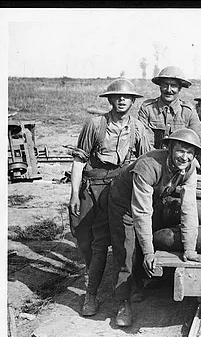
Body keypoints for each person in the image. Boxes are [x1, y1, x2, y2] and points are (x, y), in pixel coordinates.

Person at [108, 128, 201, 327]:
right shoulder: (148, 166)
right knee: (126, 249)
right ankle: (122, 302)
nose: (185, 157)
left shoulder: (190, 167)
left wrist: (189, 248)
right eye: (180, 150)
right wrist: (149, 252)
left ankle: (140, 282)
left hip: (152, 200)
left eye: (190, 153)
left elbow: (189, 207)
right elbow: (141, 213)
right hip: (124, 204)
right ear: (169, 148)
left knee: (153, 237)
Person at [68, 78, 150, 317]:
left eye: (126, 97)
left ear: (133, 101)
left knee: (124, 243)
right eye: (117, 96)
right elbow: (79, 160)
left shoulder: (138, 128)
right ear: (110, 100)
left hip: (121, 190)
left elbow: (144, 164)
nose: (122, 100)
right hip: (93, 187)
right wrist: (75, 194)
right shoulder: (94, 124)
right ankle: (91, 292)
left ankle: (123, 301)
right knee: (90, 242)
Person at [137, 65, 201, 178]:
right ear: (160, 86)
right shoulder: (147, 109)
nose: (169, 90)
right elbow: (145, 144)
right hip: (153, 165)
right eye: (165, 85)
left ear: (180, 88)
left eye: (173, 86)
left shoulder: (187, 111)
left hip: (180, 165)